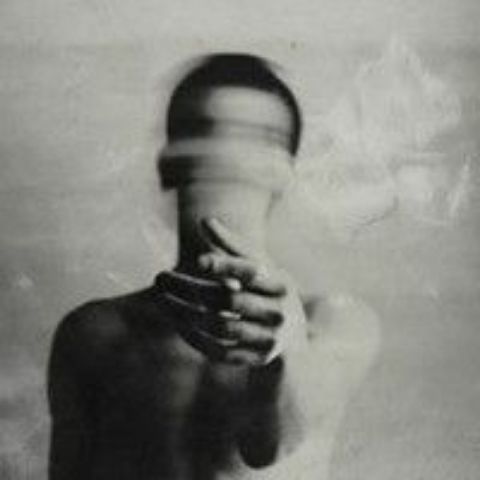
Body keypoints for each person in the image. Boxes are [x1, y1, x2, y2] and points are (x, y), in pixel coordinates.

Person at [48, 54, 380, 480]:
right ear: (168, 164)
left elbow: (268, 446)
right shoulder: (94, 334)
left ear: (285, 174)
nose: (228, 157)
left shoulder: (337, 324)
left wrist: (283, 352)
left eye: (256, 140)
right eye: (206, 132)